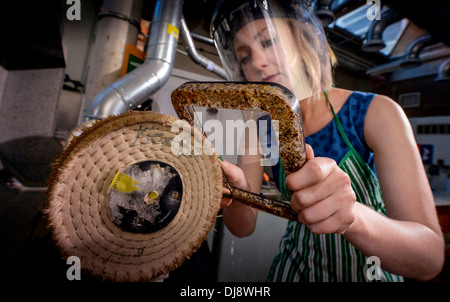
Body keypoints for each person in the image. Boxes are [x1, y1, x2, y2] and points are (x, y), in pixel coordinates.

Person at [210, 0, 445, 281]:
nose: (258, 62)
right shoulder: (259, 129)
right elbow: (244, 226)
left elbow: (429, 258)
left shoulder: (375, 113)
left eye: (269, 41)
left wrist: (353, 216)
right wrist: (234, 195)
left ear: (302, 41)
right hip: (293, 271)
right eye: (245, 56)